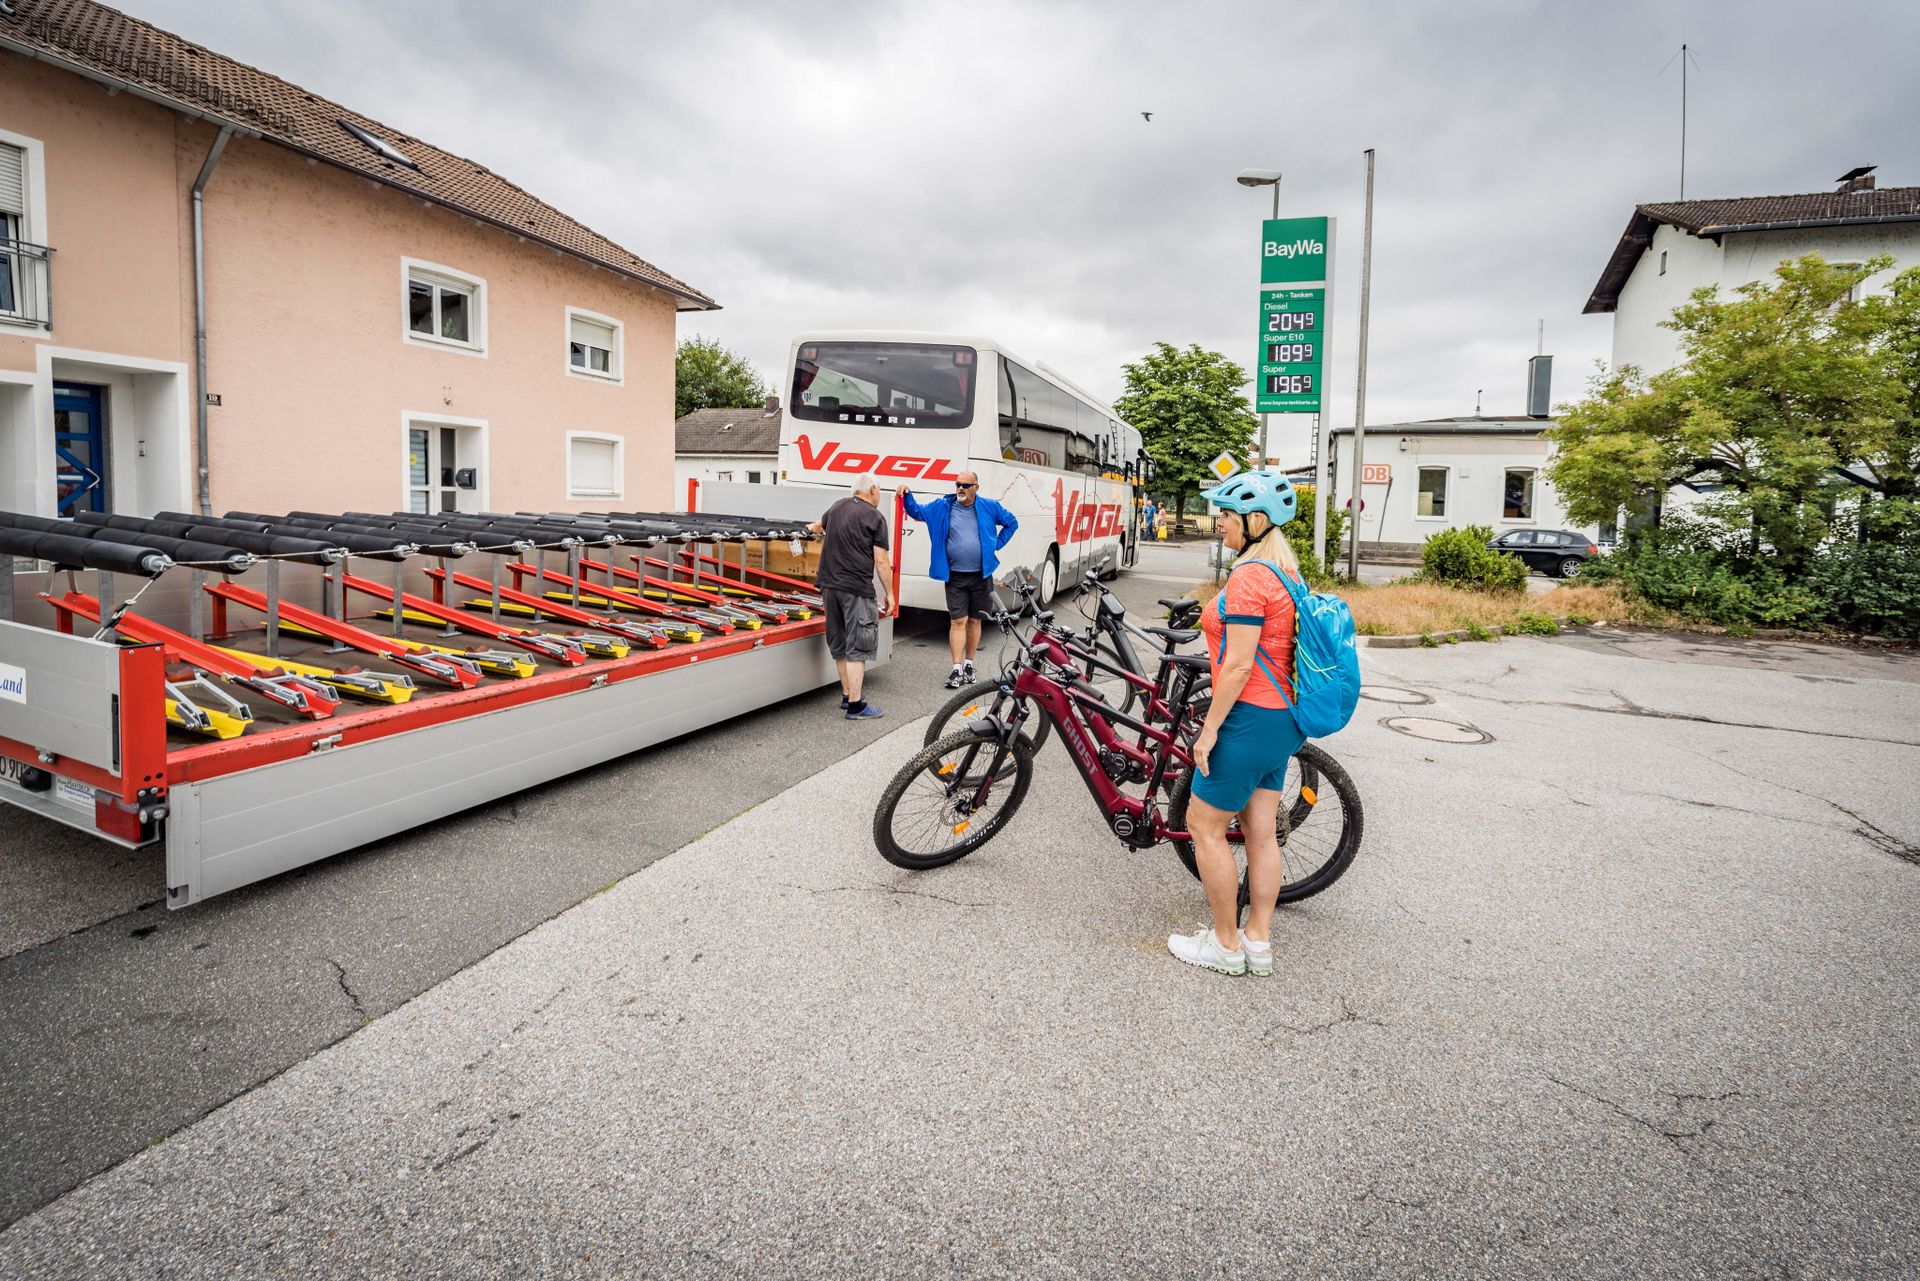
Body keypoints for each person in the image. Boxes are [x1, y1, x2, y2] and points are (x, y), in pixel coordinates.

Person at [1167, 469, 1305, 978]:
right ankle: (1257, 942)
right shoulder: (1287, 574)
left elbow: (1241, 664)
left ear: (1256, 519)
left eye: (1226, 514)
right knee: (1260, 832)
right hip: (1282, 720)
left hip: (1248, 718)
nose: (1218, 522)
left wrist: (1209, 732)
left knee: (1203, 826)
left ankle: (1225, 945)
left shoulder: (1250, 579)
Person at [901, 472, 1018, 689]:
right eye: (958, 485)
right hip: (955, 576)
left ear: (976, 487)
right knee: (957, 621)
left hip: (981, 575)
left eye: (965, 485)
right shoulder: (943, 507)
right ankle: (956, 669)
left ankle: (969, 665)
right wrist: (907, 493)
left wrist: (995, 545)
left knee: (975, 620)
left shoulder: (990, 507)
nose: (960, 488)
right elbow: (915, 511)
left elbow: (1012, 523)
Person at [808, 475, 893, 720]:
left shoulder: (837, 506)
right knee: (858, 645)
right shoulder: (875, 517)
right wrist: (890, 594)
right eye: (879, 491)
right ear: (873, 490)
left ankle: (847, 696)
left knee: (840, 641)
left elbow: (816, 526)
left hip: (829, 585)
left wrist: (809, 529)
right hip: (856, 588)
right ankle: (856, 706)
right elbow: (881, 561)